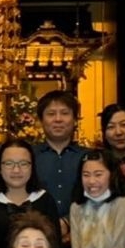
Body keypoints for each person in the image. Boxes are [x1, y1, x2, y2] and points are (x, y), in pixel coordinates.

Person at [33, 90, 85, 221]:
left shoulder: (87, 157)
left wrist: (67, 222)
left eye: (65, 113)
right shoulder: (30, 157)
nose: (58, 119)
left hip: (82, 228)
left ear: (75, 120)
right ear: (40, 120)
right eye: (51, 114)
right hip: (38, 229)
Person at [98, 103, 125, 170]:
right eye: (111, 127)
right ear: (104, 133)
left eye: (124, 125)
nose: (118, 132)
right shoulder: (97, 164)